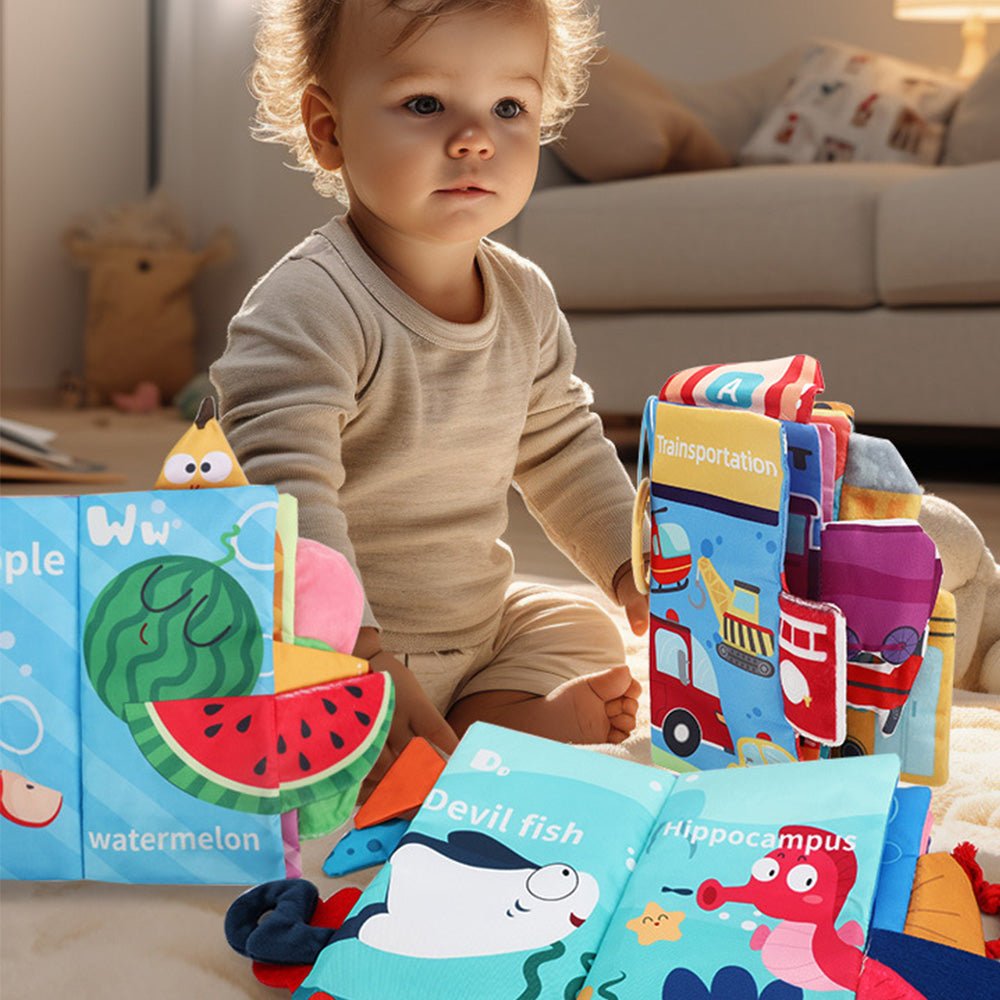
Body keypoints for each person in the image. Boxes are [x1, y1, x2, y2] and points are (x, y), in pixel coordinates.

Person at [210, 0, 648, 784]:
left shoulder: (525, 297)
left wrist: (629, 567)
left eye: (509, 106)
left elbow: (562, 447)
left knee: (585, 625)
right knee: (254, 697)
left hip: (473, 627)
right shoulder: (312, 303)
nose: (474, 137)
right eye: (424, 104)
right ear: (329, 129)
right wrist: (358, 652)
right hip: (342, 649)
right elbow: (282, 495)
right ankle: (464, 740)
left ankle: (479, 725)